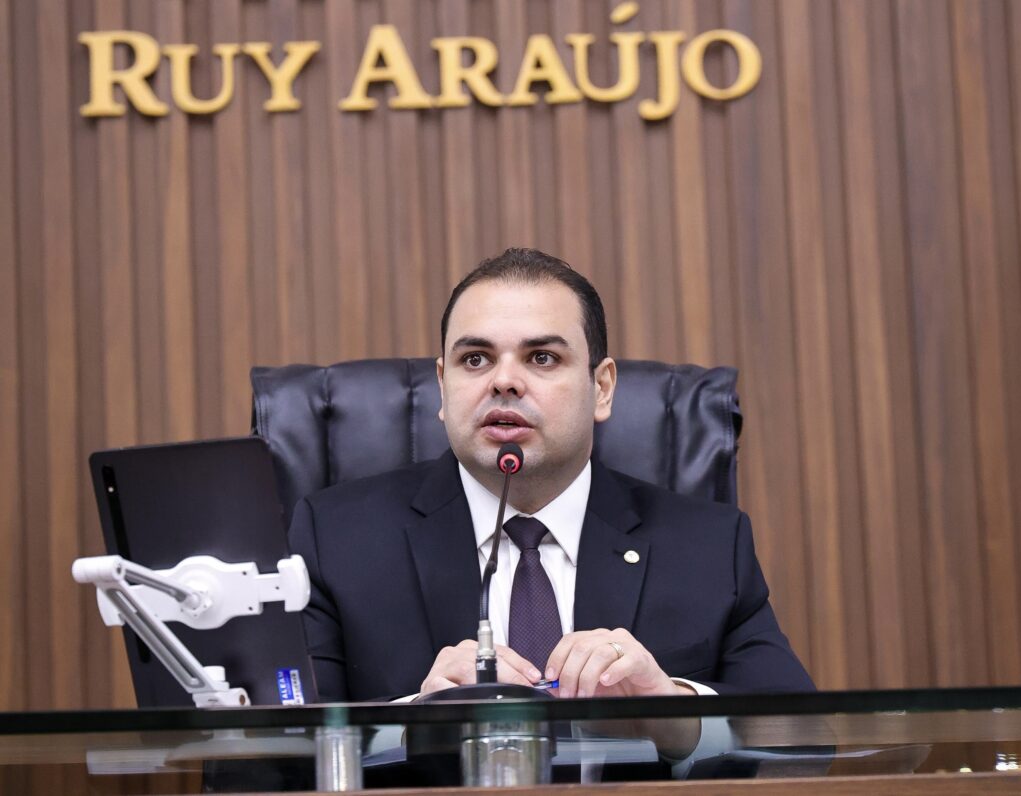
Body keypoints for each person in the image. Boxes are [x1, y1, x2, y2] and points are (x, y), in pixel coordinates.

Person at [288, 248, 814, 703]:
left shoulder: (708, 545)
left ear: (601, 388)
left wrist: (674, 706)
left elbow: (801, 738)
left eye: (541, 357)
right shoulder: (335, 540)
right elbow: (282, 752)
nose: (504, 381)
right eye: (476, 359)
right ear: (443, 386)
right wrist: (412, 719)